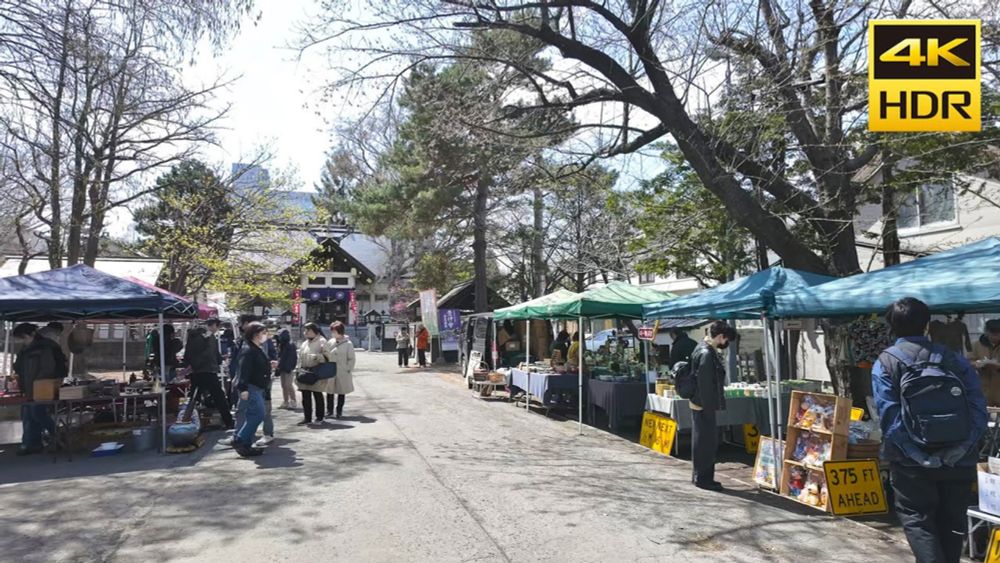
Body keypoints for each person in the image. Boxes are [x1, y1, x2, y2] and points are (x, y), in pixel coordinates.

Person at [873, 298, 987, 563]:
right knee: (952, 524)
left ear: (891, 326)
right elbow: (978, 411)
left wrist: (919, 456)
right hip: (958, 459)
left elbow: (890, 420)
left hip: (911, 463)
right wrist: (960, 450)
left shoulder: (886, 363)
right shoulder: (954, 359)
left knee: (918, 521)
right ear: (926, 325)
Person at [688, 320, 737, 491]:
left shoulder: (701, 348)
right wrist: (710, 408)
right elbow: (706, 384)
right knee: (706, 444)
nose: (726, 344)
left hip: (699, 404)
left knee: (701, 442)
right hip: (704, 405)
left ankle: (699, 477)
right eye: (726, 340)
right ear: (720, 336)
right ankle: (704, 479)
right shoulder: (707, 353)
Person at [12, 323, 68, 455]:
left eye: (24, 338)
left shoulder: (46, 347)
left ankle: (58, 437)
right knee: (28, 416)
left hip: (42, 387)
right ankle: (32, 444)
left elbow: (47, 369)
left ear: (32, 334)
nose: (23, 341)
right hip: (29, 387)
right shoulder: (26, 348)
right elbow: (19, 366)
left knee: (37, 414)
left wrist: (37, 384)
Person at [183, 321, 234, 430]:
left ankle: (187, 421)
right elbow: (212, 353)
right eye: (217, 326)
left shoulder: (192, 336)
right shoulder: (209, 337)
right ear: (212, 326)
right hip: (208, 370)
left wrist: (190, 365)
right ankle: (228, 421)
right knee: (219, 397)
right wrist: (218, 361)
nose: (216, 329)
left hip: (196, 371)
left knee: (194, 397)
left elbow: (187, 353)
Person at [231, 322, 271, 457]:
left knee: (253, 414)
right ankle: (241, 439)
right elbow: (243, 370)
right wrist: (243, 388)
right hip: (251, 387)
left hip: (258, 387)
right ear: (255, 334)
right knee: (259, 414)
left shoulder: (256, 348)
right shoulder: (248, 350)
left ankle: (246, 444)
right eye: (263, 332)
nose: (265, 335)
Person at [297, 322, 332, 425]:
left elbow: (328, 356)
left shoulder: (322, 341)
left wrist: (317, 357)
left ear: (315, 331)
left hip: (317, 373)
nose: (306, 332)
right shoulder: (305, 343)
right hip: (304, 372)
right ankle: (307, 417)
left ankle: (319, 417)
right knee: (305, 396)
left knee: (317, 395)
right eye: (305, 330)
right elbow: (300, 357)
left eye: (308, 330)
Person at [326, 321, 357, 419]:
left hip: (342, 371)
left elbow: (351, 358)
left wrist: (347, 368)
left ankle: (339, 411)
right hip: (330, 370)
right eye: (332, 331)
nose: (333, 333)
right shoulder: (330, 342)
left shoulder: (348, 344)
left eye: (335, 331)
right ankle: (329, 410)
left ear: (340, 331)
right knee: (329, 391)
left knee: (341, 392)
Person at [276, 328, 298, 409]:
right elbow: (280, 357)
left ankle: (293, 401)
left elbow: (292, 358)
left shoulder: (290, 345)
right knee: (283, 385)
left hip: (289, 368)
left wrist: (290, 367)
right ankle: (285, 401)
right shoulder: (281, 344)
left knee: (288, 385)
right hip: (282, 367)